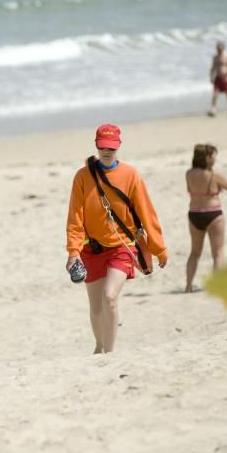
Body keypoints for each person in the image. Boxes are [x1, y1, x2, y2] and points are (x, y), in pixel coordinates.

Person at [66, 124, 168, 354]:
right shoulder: (82, 177)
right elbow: (75, 216)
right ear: (96, 145)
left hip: (122, 246)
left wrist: (159, 248)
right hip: (91, 248)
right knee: (96, 308)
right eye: (103, 147)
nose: (106, 151)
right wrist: (73, 251)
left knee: (109, 297)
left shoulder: (130, 174)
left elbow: (146, 212)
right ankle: (99, 345)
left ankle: (110, 355)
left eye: (111, 148)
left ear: (119, 146)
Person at [185, 144, 227, 293]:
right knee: (217, 253)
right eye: (212, 156)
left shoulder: (189, 173)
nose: (214, 158)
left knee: (194, 253)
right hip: (213, 213)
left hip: (194, 213)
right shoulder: (213, 174)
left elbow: (191, 190)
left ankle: (188, 286)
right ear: (205, 158)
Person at [208, 41, 227, 117]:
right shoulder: (215, 57)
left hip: (226, 78)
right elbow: (212, 68)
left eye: (220, 48)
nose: (218, 50)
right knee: (215, 94)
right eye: (217, 48)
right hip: (218, 78)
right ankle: (214, 109)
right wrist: (211, 77)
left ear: (223, 48)